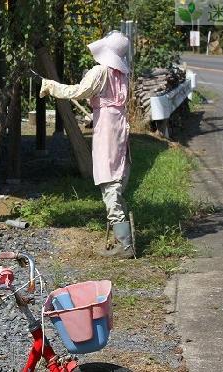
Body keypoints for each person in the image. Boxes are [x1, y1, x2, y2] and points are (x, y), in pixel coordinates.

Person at [39, 31, 134, 259]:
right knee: (116, 174)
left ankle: (125, 245)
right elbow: (111, 102)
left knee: (109, 178)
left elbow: (78, 91)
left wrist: (51, 86)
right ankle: (121, 235)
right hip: (117, 124)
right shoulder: (122, 74)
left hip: (109, 129)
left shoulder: (100, 71)